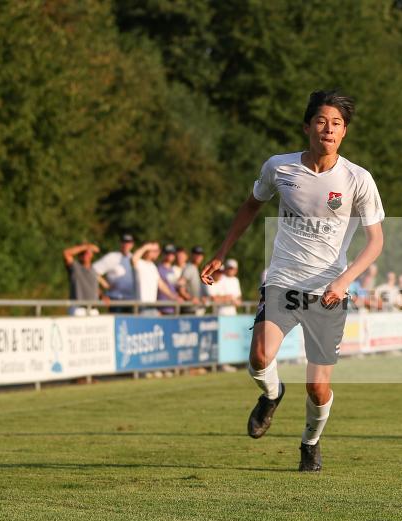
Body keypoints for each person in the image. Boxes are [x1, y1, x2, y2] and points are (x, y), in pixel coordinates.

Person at [201, 89, 384, 472]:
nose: (328, 129)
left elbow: (375, 242)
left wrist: (344, 280)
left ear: (344, 132)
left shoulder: (358, 179)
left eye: (336, 123)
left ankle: (310, 443)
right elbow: (251, 205)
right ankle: (271, 395)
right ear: (307, 126)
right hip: (283, 281)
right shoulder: (280, 168)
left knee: (317, 388)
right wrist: (221, 252)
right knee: (258, 358)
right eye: (321, 121)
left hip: (328, 293)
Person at [93, 233, 136, 311]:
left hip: (131, 300)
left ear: (132, 244)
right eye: (124, 241)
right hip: (115, 299)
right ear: (120, 243)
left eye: (128, 242)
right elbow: (93, 271)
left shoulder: (134, 258)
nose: (126, 244)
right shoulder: (112, 257)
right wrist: (105, 284)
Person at [132, 242, 178, 315]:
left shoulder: (153, 266)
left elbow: (161, 285)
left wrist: (174, 297)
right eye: (155, 251)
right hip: (142, 306)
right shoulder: (140, 263)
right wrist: (146, 246)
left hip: (152, 306)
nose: (157, 253)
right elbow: (134, 258)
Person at [63, 242, 102, 316]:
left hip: (93, 310)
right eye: (82, 253)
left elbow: (94, 288)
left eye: (87, 253)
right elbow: (66, 253)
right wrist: (86, 247)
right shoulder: (75, 266)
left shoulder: (93, 269)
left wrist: (102, 296)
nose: (85, 255)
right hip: (78, 309)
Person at [157, 244, 181, 314]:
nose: (170, 255)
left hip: (173, 307)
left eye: (172, 253)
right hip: (162, 308)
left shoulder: (172, 270)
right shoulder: (158, 269)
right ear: (163, 254)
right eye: (167, 253)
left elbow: (173, 286)